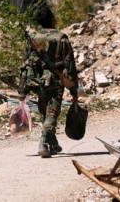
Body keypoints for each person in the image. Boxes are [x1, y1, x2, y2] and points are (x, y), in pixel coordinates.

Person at [18, 13, 79, 158]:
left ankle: (53, 144)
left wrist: (23, 88)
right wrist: (74, 89)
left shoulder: (34, 38)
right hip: (55, 81)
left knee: (45, 111)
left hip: (36, 81)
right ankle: (43, 143)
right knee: (52, 112)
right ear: (53, 19)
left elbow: (25, 64)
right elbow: (70, 65)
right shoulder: (61, 38)